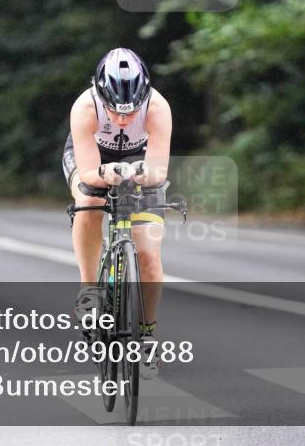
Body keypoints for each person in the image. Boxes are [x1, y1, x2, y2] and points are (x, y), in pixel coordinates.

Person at [62, 48, 172, 379]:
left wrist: (140, 173)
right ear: (100, 96)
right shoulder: (85, 107)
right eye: (115, 112)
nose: (123, 120)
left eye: (130, 113)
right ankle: (89, 290)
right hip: (92, 158)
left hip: (140, 159)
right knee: (89, 199)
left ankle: (147, 333)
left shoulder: (157, 108)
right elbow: (89, 173)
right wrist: (106, 174)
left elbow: (158, 172)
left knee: (150, 256)